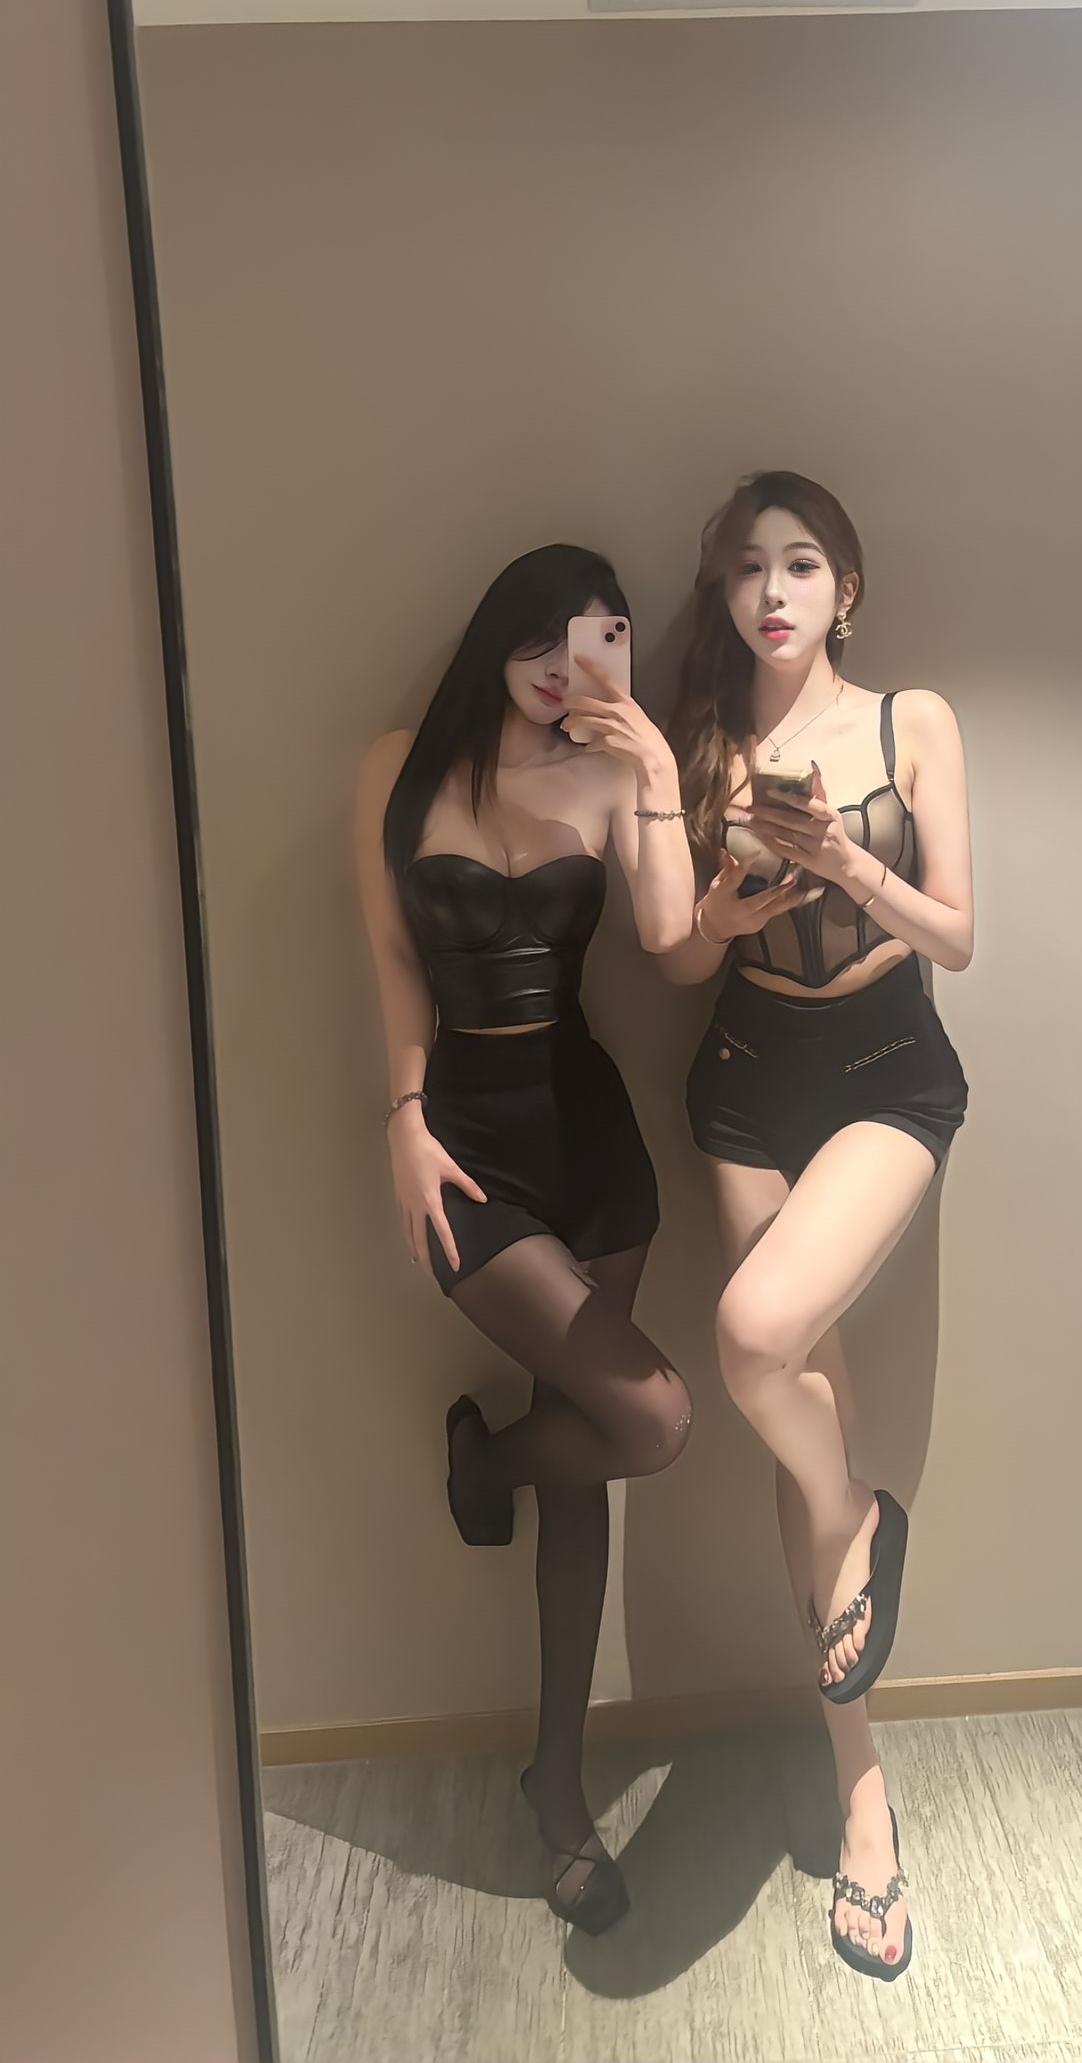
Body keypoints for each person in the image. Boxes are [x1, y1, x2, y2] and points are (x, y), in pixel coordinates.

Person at [355, 544, 695, 1936]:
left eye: (596, 639)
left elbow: (671, 941)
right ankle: (492, 1459)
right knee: (649, 1419)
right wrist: (402, 1116)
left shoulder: (613, 776)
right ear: (496, 641)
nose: (564, 670)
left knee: (597, 1459)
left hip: (589, 1140)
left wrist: (654, 766)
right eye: (541, 643)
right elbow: (393, 955)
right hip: (466, 1151)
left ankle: (556, 1784)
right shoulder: (396, 767)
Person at [665, 472, 973, 1982]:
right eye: (746, 569)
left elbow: (959, 936)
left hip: (887, 1069)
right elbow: (676, 958)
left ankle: (863, 1518)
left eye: (800, 565)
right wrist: (730, 898)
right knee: (803, 1413)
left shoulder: (915, 721)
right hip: (743, 1076)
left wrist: (849, 862)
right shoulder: (701, 743)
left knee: (755, 1338)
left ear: (846, 587)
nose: (771, 593)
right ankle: (865, 1802)